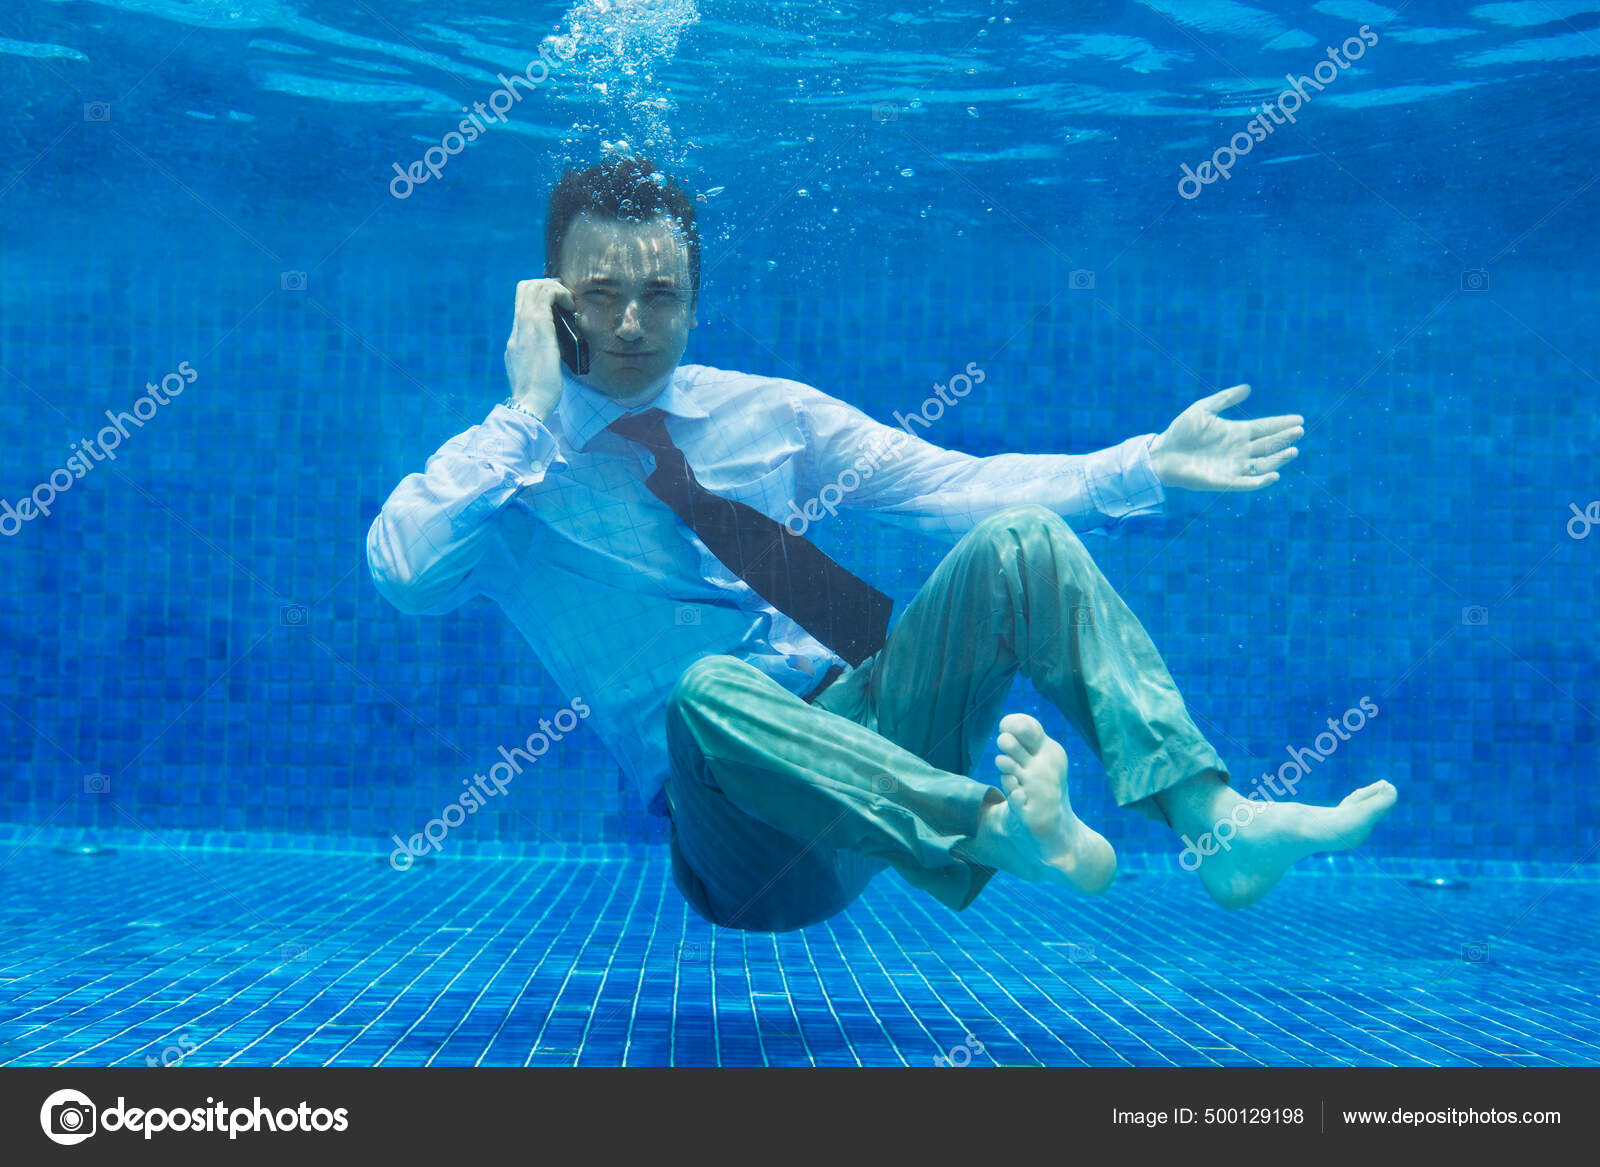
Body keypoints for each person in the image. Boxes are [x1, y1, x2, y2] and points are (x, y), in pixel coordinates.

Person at [366, 155, 1396, 934]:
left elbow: (955, 485)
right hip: (750, 845)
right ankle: (996, 831)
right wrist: (529, 413)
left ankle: (1213, 823)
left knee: (1021, 543)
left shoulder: (767, 414)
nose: (632, 321)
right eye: (599, 292)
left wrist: (1143, 467)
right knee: (710, 690)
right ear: (549, 300)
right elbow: (402, 573)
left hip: (874, 734)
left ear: (696, 297)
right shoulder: (505, 472)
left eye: (662, 293)